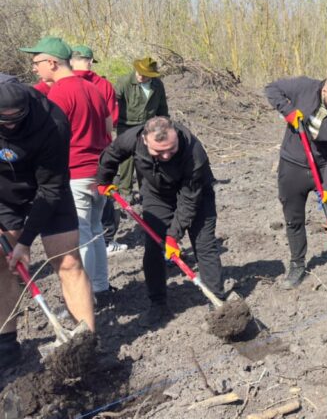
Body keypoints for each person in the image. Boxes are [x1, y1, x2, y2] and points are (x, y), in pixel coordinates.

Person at [0, 76, 95, 365]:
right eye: (4, 122)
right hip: (4, 193)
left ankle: (86, 345)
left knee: (67, 261)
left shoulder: (53, 122)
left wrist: (26, 242)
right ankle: (6, 347)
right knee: (3, 265)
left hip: (48, 189)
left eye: (17, 120)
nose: (11, 127)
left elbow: (51, 189)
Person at [96, 116, 226, 322]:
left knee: (204, 244)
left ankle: (218, 303)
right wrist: (103, 179)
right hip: (157, 193)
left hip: (195, 194)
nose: (165, 155)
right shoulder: (132, 138)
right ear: (145, 140)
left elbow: (189, 201)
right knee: (154, 245)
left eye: (171, 149)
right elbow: (112, 153)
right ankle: (158, 303)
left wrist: (173, 236)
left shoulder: (194, 153)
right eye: (159, 151)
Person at [20, 37, 112, 300]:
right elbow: (108, 129)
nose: (34, 68)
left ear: (52, 62)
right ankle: (100, 286)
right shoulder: (93, 88)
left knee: (80, 236)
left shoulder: (61, 92)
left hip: (75, 172)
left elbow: (51, 136)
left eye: (36, 62)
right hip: (99, 170)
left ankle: (87, 296)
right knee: (95, 231)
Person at [265, 73, 327, 289]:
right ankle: (297, 264)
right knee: (293, 218)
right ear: (325, 90)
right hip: (293, 163)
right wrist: (287, 111)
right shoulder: (304, 87)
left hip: (324, 165)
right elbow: (271, 88)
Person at [69, 45, 125, 255]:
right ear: (91, 61)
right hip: (100, 155)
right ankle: (108, 241)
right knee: (103, 201)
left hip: (72, 160)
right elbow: (112, 120)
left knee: (82, 222)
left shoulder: (61, 86)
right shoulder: (103, 86)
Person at [113, 57, 170, 197]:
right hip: (125, 126)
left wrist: (164, 125)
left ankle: (146, 192)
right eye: (138, 72)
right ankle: (125, 192)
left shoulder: (158, 85)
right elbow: (112, 101)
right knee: (126, 161)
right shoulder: (124, 82)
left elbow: (162, 108)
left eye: (144, 74)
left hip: (147, 128)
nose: (140, 76)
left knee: (145, 159)